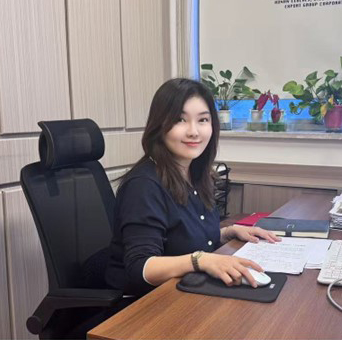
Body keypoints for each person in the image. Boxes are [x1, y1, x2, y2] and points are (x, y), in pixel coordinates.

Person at [103, 78, 279, 297]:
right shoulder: (143, 186)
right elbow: (140, 267)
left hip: (187, 291)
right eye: (180, 120)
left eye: (203, 120)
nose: (194, 131)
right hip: (143, 304)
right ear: (159, 126)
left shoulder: (196, 174)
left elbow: (181, 239)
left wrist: (227, 233)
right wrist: (200, 260)